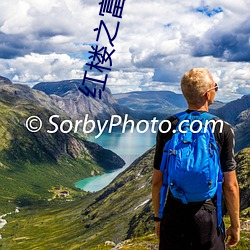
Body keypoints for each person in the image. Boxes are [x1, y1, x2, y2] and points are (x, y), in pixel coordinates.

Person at [152, 68, 240, 250]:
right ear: (208, 94)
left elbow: (157, 181)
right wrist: (235, 225)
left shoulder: (168, 125)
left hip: (174, 212)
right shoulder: (222, 129)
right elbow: (230, 185)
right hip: (207, 215)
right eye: (216, 87)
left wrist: (158, 218)